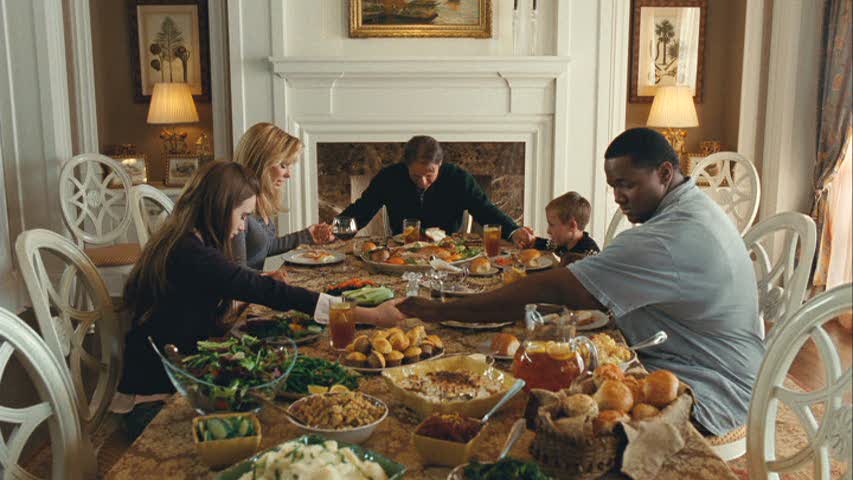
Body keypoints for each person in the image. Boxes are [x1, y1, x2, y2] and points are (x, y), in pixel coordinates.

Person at [398, 128, 764, 437]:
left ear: (665, 173)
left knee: (561, 422)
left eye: (627, 185)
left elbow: (555, 288)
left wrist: (442, 310)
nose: (618, 197)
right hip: (715, 363)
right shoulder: (694, 207)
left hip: (712, 389)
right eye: (613, 186)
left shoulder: (667, 238)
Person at [118, 161, 403, 396]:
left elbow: (233, 288)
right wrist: (373, 315)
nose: (243, 227)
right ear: (220, 207)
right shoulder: (192, 254)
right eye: (242, 216)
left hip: (174, 367)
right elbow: (272, 293)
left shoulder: (187, 240)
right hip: (156, 392)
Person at [339, 135, 535, 246]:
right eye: (416, 176)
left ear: (440, 164)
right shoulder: (390, 177)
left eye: (430, 174)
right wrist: (335, 229)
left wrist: (514, 230)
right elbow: (362, 210)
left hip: (448, 251)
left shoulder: (458, 178)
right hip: (401, 251)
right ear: (406, 165)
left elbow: (485, 210)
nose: (423, 182)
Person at [232, 123, 334, 271]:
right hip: (244, 291)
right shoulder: (239, 206)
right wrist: (271, 280)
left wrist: (307, 235)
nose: (288, 174)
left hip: (255, 287)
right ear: (261, 162)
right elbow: (235, 271)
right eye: (283, 165)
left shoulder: (258, 199)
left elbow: (264, 247)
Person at [534, 191, 600, 264]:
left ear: (572, 226)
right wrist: (532, 241)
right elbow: (546, 244)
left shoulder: (589, 256)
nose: (548, 231)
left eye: (552, 225)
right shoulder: (563, 243)